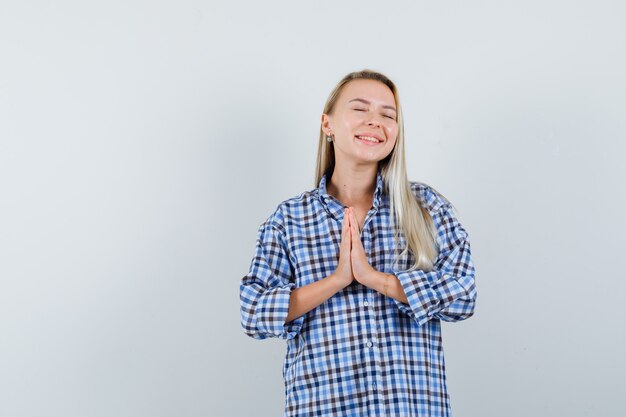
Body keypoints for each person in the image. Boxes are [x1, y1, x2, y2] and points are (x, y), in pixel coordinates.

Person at [239, 69, 477, 417]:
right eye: (360, 109)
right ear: (328, 124)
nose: (375, 122)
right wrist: (336, 280)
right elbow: (253, 313)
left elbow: (465, 293)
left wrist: (376, 279)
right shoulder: (289, 220)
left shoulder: (426, 208)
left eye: (388, 114)